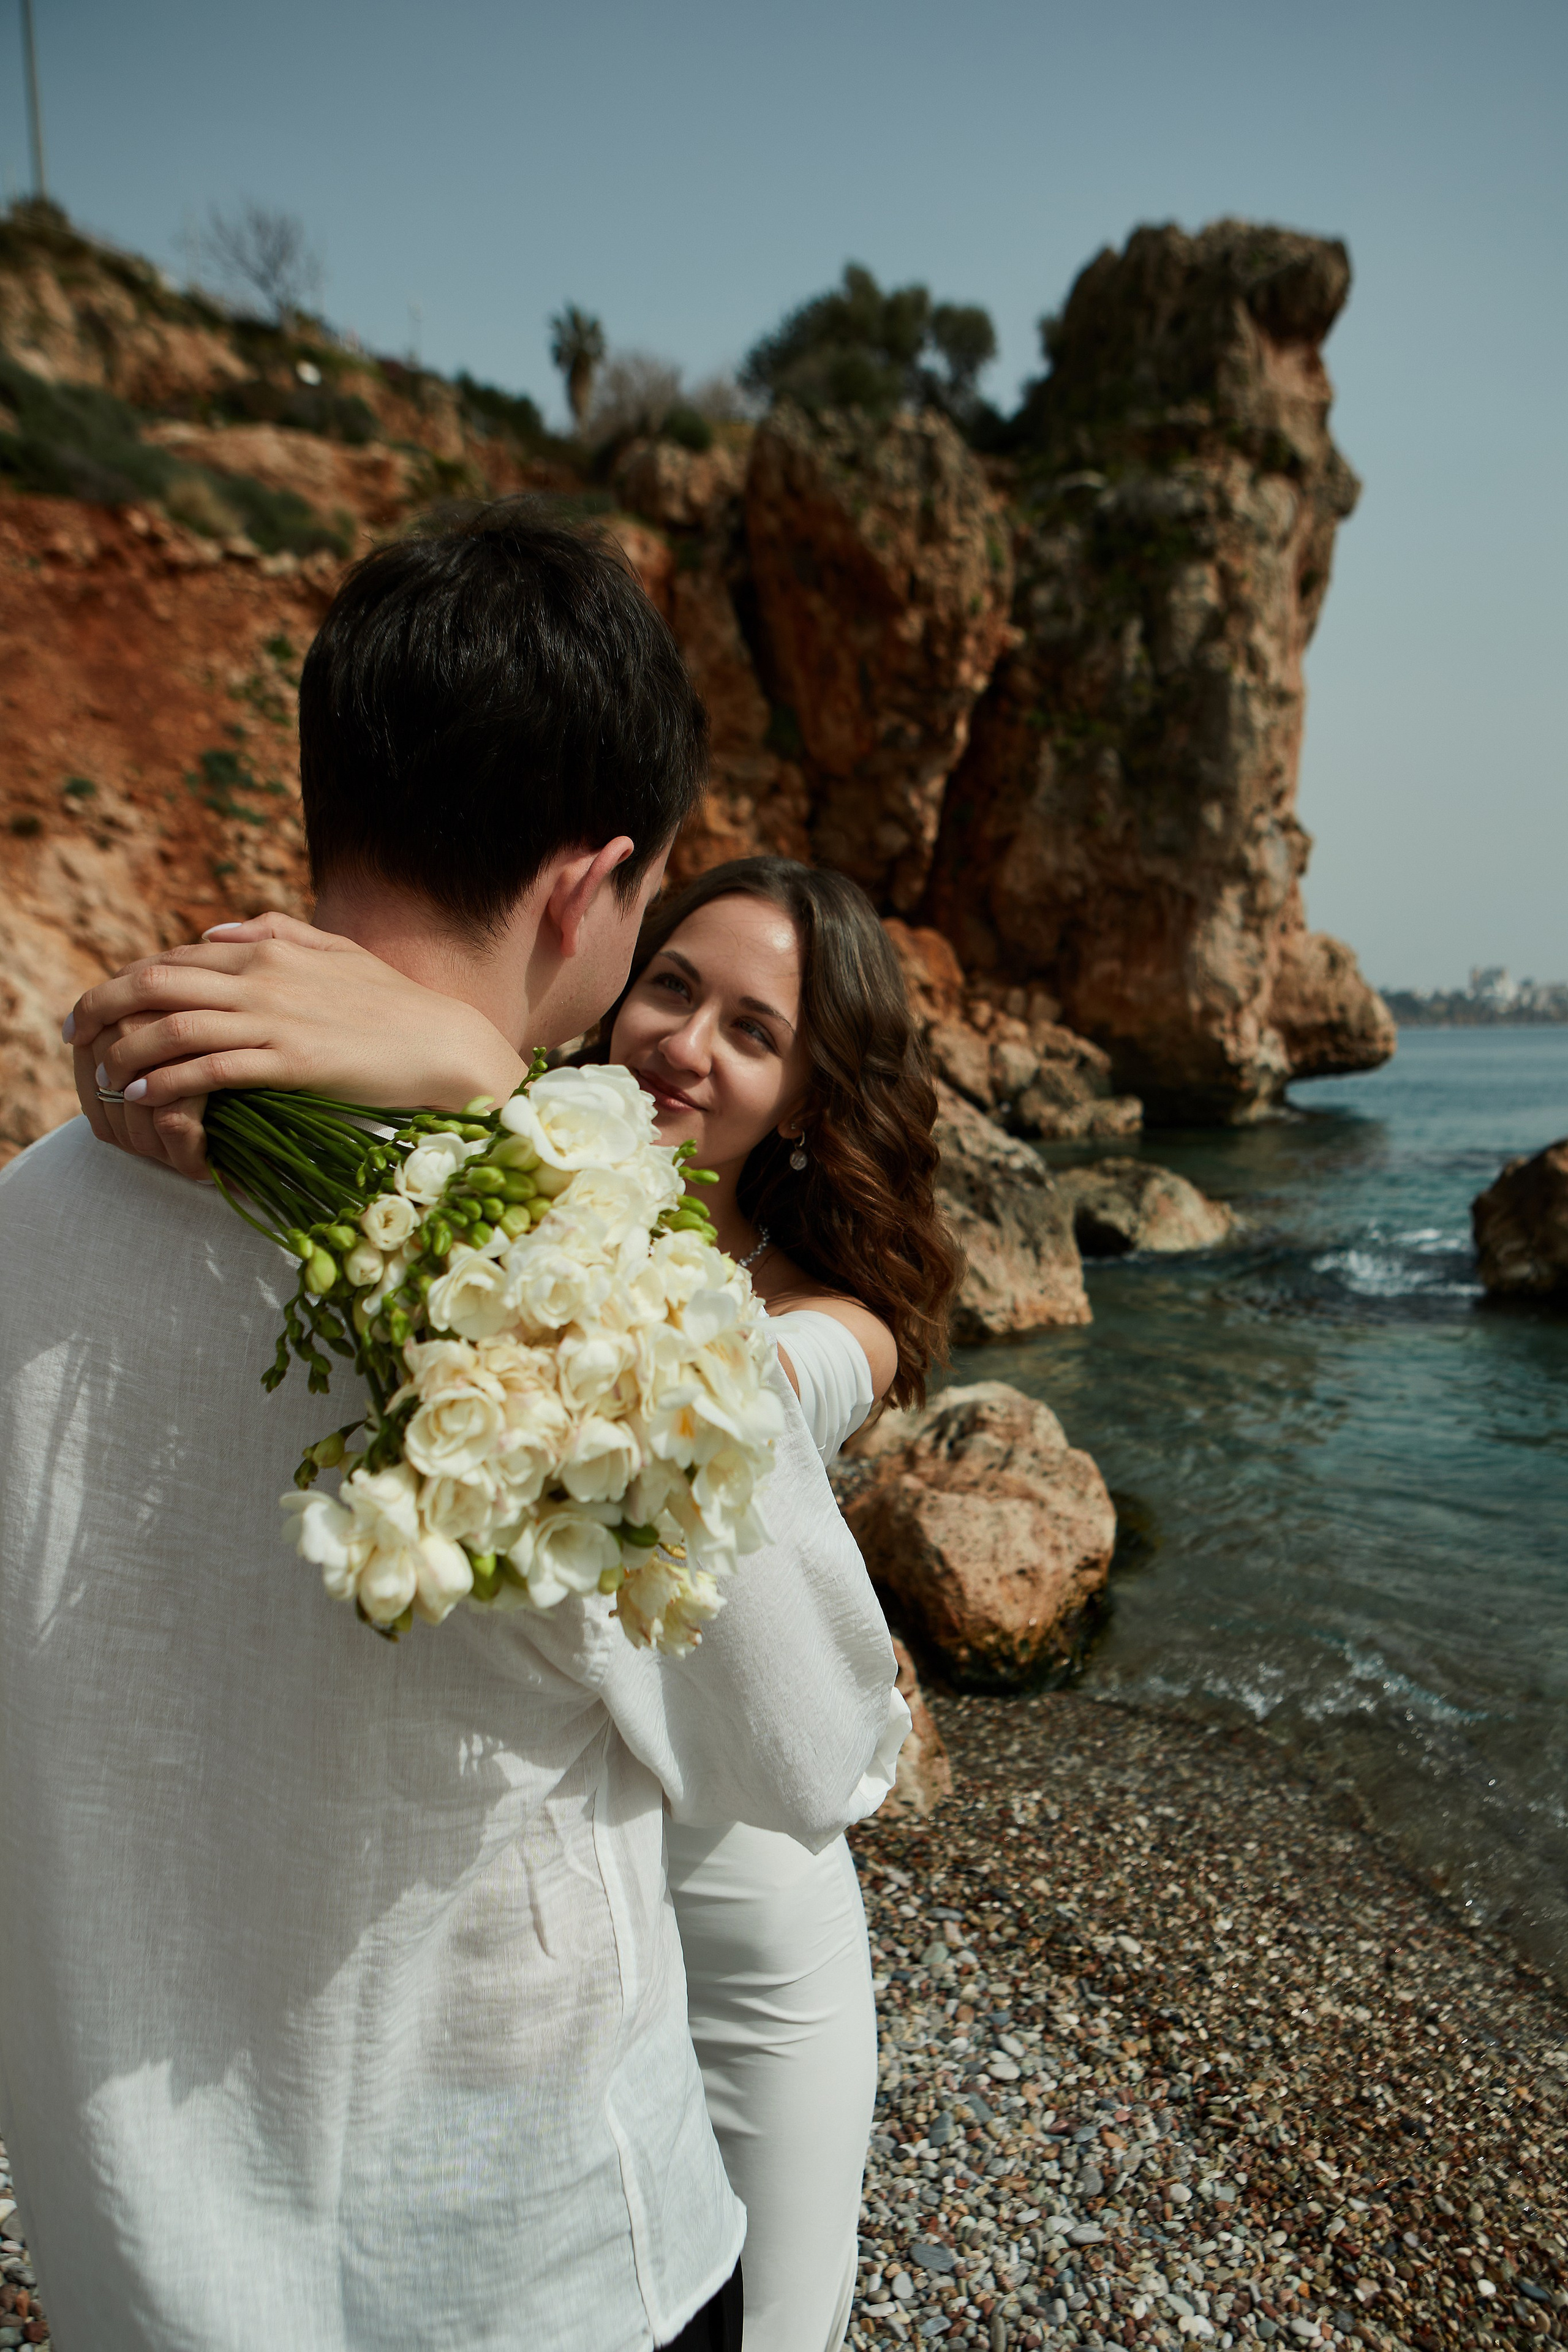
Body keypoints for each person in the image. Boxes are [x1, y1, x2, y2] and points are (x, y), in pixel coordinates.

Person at [0, 510, 910, 2352]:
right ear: (592, 886)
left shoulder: (35, 1209)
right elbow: (817, 1746)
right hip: (526, 2266)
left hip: (136, 2269)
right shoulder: (584, 1272)